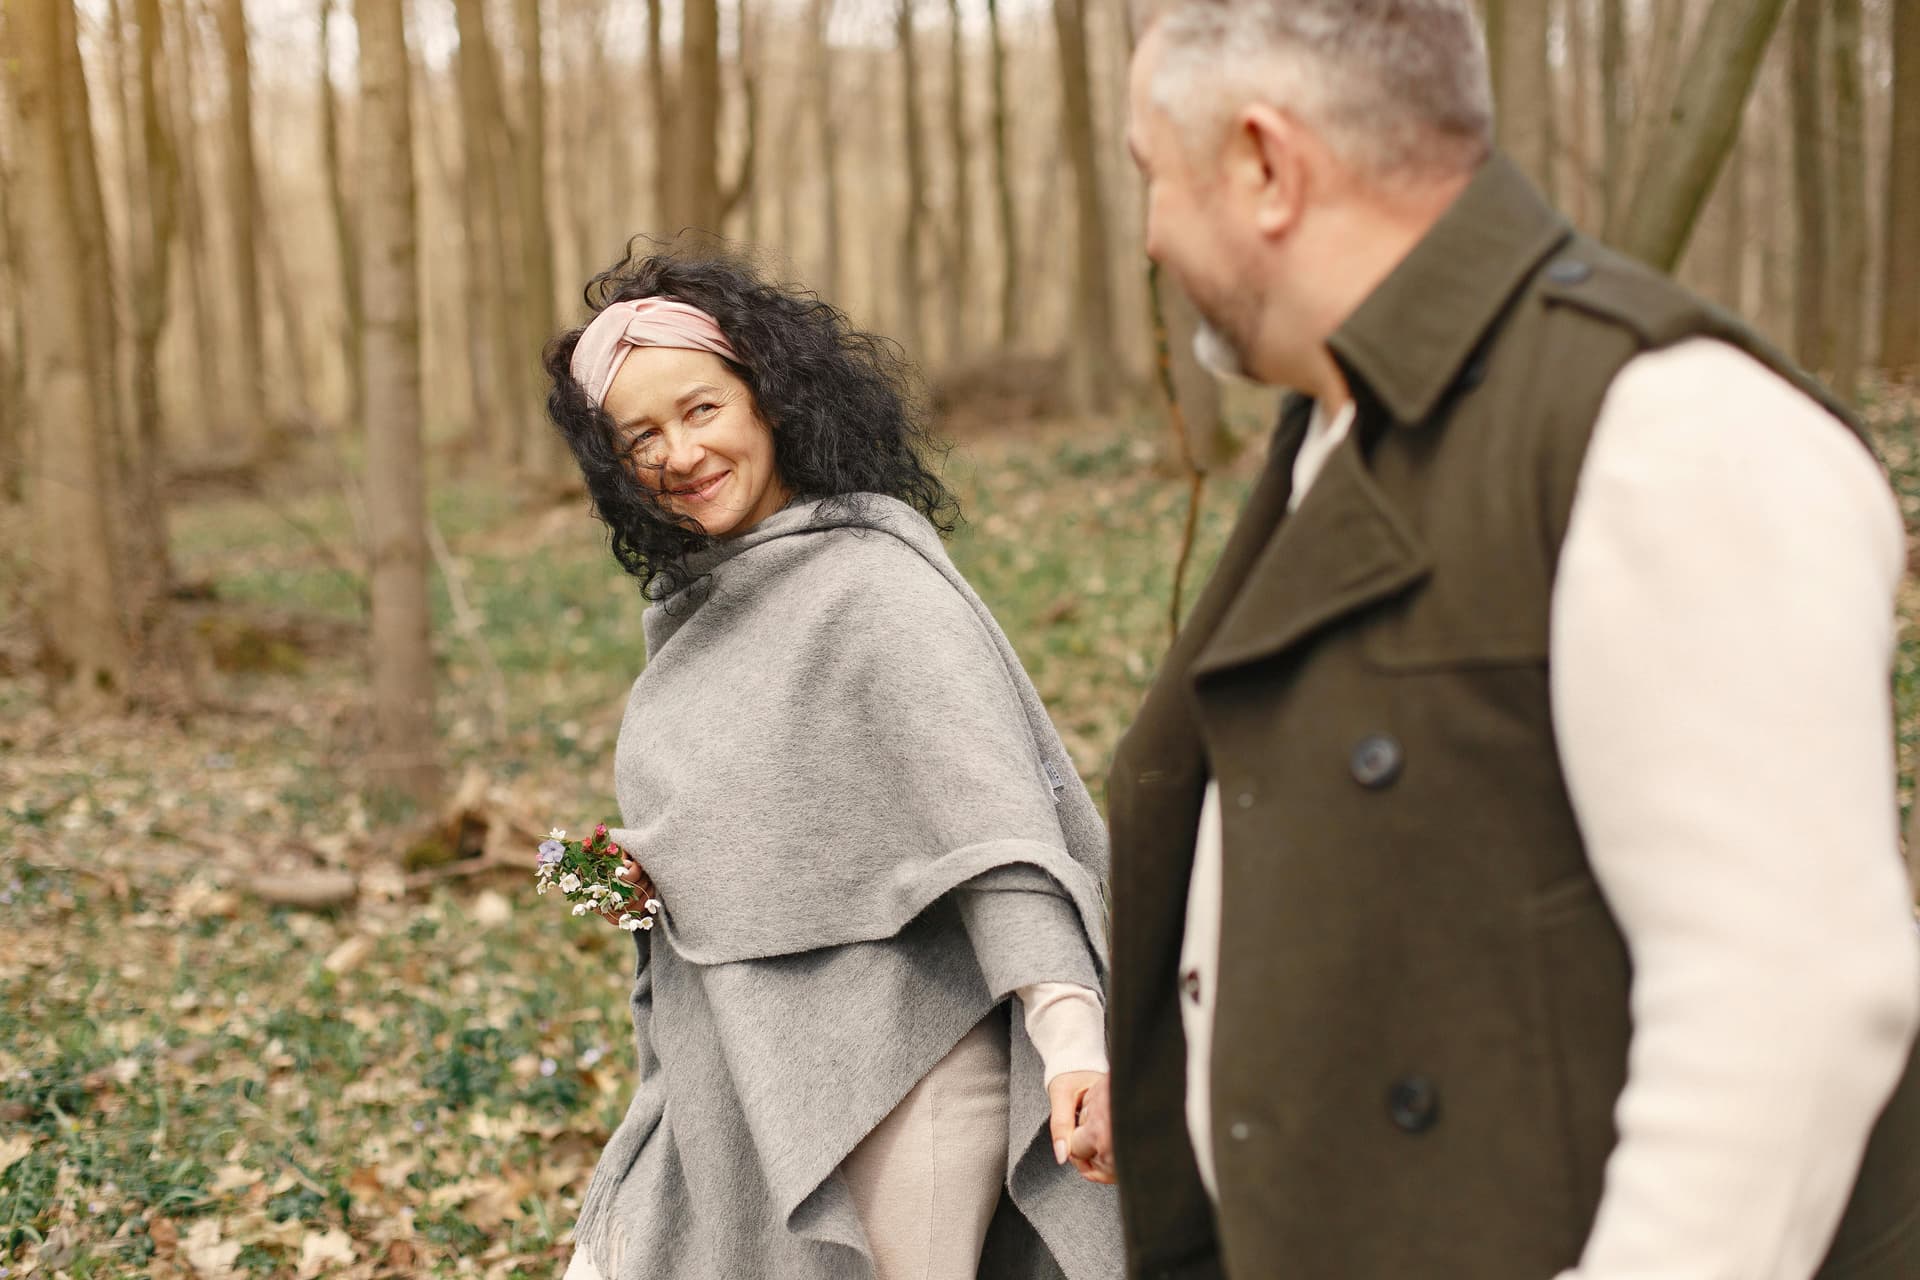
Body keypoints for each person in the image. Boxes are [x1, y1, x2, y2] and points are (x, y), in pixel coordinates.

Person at [1067, 1, 1920, 1277]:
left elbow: (1783, 1012)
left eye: (1153, 177)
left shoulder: (1668, 431)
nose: (1148, 234)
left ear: (1264, 165)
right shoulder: (1340, 428)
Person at [542, 246, 1124, 1280]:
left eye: (702, 409)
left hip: (905, 1069)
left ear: (768, 400)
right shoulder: (700, 606)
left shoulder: (874, 589)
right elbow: (781, 823)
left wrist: (1074, 1036)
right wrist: (652, 872)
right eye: (642, 436)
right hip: (738, 1066)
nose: (680, 451)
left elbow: (994, 834)